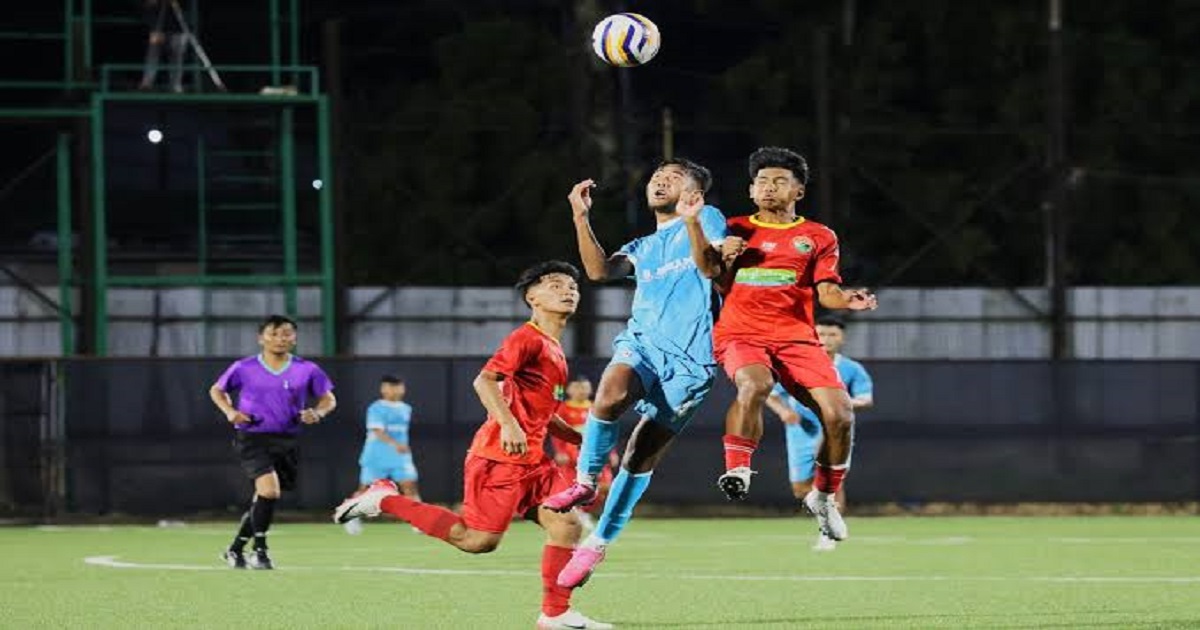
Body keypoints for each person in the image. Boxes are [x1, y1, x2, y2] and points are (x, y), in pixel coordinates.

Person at [333, 261, 612, 630]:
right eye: (555, 284)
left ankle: (555, 614)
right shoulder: (526, 338)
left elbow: (543, 413)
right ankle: (384, 499)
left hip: (533, 460)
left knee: (568, 525)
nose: (568, 290)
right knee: (478, 541)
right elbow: (485, 381)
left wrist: (578, 436)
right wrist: (508, 425)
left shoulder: (555, 349)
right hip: (499, 458)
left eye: (572, 286)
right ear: (532, 298)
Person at [540, 159, 727, 588]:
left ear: (695, 194)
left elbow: (711, 268)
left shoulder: (708, 218)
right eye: (657, 175)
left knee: (639, 456)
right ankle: (585, 481)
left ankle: (598, 543)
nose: (660, 180)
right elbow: (598, 271)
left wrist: (693, 221)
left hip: (692, 361)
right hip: (643, 344)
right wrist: (580, 216)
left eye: (674, 177)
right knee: (608, 395)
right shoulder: (642, 246)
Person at [684, 146, 877, 544]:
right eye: (761, 181)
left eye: (779, 181)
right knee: (755, 384)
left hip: (797, 338)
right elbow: (710, 273)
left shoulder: (818, 236)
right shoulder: (734, 227)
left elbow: (827, 293)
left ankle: (823, 499)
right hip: (741, 333)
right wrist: (717, 250)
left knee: (840, 415)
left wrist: (848, 299)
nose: (768, 187)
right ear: (751, 190)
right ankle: (737, 469)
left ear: (798, 192)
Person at [210, 314, 336, 570]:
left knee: (264, 498)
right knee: (269, 491)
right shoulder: (244, 367)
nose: (280, 338)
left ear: (294, 338)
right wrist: (230, 411)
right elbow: (217, 390)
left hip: (287, 439)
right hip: (252, 437)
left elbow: (328, 399)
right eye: (274, 333)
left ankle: (235, 550)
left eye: (287, 333)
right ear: (261, 338)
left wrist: (318, 412)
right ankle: (261, 552)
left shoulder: (307, 369)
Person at [765, 316, 873, 550]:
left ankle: (829, 532)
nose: (826, 339)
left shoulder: (851, 369)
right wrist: (784, 412)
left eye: (832, 334)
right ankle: (825, 515)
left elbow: (866, 399)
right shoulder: (794, 366)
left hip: (835, 429)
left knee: (831, 478)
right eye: (821, 334)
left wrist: (839, 406)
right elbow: (770, 394)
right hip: (800, 431)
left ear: (842, 338)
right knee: (800, 488)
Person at [343, 374, 420, 535]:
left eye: (398, 386)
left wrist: (400, 447)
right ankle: (350, 516)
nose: (395, 390)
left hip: (400, 457)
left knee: (410, 487)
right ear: (383, 389)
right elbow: (377, 431)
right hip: (376, 456)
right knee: (366, 490)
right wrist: (395, 445)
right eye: (391, 386)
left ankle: (418, 521)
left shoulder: (406, 408)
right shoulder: (376, 408)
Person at [549, 376, 616, 530]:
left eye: (585, 387)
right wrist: (560, 451)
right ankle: (573, 515)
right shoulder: (563, 408)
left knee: (605, 487)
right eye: (578, 387)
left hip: (596, 453)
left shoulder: (596, 408)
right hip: (572, 455)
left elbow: (606, 431)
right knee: (574, 488)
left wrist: (612, 452)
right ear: (569, 390)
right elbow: (556, 431)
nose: (581, 391)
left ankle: (583, 512)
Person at [139, 0, 189, 93]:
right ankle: (147, 83)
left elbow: (184, 9)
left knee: (176, 57)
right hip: (158, 27)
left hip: (178, 29)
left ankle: (175, 85)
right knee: (152, 55)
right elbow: (147, 5)